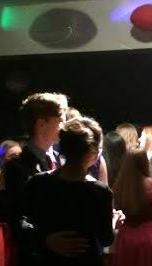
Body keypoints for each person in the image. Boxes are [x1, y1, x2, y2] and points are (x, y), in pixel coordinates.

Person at [21, 117, 113, 266]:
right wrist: (114, 221)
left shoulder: (38, 182)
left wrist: (44, 239)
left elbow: (21, 223)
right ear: (93, 154)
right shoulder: (100, 192)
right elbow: (106, 238)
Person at [2, 92, 68, 265]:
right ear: (41, 123)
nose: (64, 126)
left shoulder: (63, 159)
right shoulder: (17, 166)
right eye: (60, 120)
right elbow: (15, 218)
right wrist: (45, 240)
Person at [113, 150, 152, 266]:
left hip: (126, 236)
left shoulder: (120, 186)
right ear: (145, 162)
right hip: (149, 234)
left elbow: (118, 206)